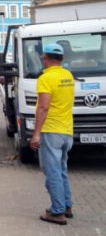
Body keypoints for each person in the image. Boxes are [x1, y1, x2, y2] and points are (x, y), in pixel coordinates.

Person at [30, 42, 75, 225]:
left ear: (45, 58)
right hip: (67, 131)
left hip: (51, 130)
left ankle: (57, 212)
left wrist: (36, 134)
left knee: (52, 171)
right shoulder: (68, 75)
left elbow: (43, 106)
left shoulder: (46, 78)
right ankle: (67, 205)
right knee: (62, 169)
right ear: (62, 59)